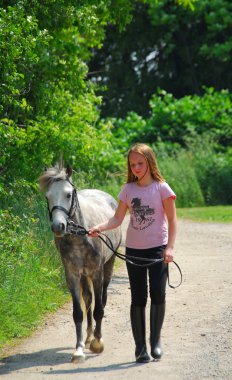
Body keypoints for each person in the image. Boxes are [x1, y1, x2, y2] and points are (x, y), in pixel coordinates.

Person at [89, 143, 177, 363]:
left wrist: (170, 248)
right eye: (132, 164)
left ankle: (155, 342)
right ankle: (140, 348)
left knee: (158, 294)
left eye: (140, 163)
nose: (136, 168)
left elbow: (172, 220)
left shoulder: (162, 188)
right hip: (134, 251)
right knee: (138, 298)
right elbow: (117, 219)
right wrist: (99, 227)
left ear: (149, 161)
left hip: (158, 249)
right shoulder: (128, 190)